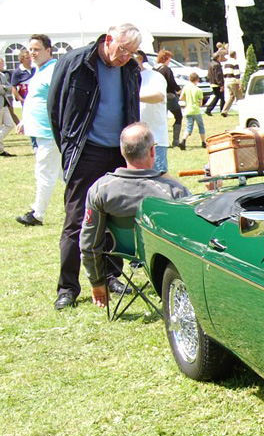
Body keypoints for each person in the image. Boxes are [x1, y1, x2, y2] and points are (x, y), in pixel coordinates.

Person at [48, 23, 142, 311]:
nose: (126, 57)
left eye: (132, 53)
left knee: (115, 216)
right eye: (123, 50)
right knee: (77, 220)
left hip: (118, 151)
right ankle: (68, 287)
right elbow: (55, 108)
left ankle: (113, 274)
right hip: (86, 152)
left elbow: (132, 107)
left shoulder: (130, 69)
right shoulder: (76, 62)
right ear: (109, 39)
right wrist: (69, 148)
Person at [79, 123, 189, 307]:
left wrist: (97, 282)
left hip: (124, 250)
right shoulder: (174, 191)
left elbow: (89, 242)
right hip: (163, 257)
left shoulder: (101, 189)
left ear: (122, 151)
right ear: (153, 152)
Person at [15, 35, 60, 226]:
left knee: (44, 172)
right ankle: (89, 203)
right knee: (62, 174)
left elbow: (58, 100)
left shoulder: (52, 71)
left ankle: (37, 214)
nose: (32, 53)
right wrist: (25, 120)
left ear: (48, 50)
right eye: (30, 49)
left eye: (37, 49)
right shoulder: (39, 70)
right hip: (40, 132)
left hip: (49, 133)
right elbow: (35, 100)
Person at [134, 51, 170, 173]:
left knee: (159, 180)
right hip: (132, 141)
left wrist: (133, 97)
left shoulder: (154, 76)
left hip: (155, 139)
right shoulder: (123, 78)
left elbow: (159, 96)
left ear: (139, 58)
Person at [153, 50, 182, 148]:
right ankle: (176, 141)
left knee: (162, 119)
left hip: (157, 96)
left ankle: (160, 140)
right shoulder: (166, 69)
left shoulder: (154, 69)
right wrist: (179, 90)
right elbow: (172, 83)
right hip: (169, 97)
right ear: (166, 58)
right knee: (178, 116)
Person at [179, 72, 206, 149]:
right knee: (201, 126)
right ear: (197, 80)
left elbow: (181, 98)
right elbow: (200, 104)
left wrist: (187, 100)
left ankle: (183, 140)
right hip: (196, 110)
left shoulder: (186, 87)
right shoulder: (198, 90)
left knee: (189, 127)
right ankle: (203, 142)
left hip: (187, 110)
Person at [0, 58, 16, 156]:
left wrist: (4, 87)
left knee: (10, 124)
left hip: (4, 103)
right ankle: (1, 150)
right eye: (1, 63)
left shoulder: (2, 75)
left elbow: (10, 88)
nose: (3, 65)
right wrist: (4, 88)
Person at [221, 50, 243, 115]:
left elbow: (224, 73)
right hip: (234, 81)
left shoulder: (225, 63)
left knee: (231, 97)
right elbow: (237, 73)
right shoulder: (235, 62)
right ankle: (242, 111)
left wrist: (225, 81)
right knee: (239, 97)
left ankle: (224, 110)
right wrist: (239, 83)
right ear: (235, 55)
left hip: (227, 81)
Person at [205, 51, 225, 115]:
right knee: (220, 97)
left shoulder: (210, 64)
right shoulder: (217, 65)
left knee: (218, 97)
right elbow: (218, 75)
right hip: (217, 83)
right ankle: (221, 110)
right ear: (218, 57)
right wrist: (221, 84)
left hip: (212, 82)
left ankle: (210, 109)